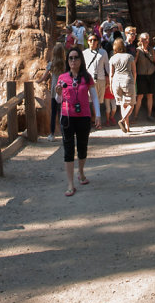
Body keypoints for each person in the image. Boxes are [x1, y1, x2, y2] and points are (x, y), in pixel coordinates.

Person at [57, 47, 101, 196]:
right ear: (67, 61)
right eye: (70, 58)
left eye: (76, 57)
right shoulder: (62, 78)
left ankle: (81, 172)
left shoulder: (86, 77)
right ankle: (70, 184)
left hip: (83, 117)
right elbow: (58, 100)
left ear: (81, 60)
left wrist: (98, 115)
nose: (73, 60)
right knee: (68, 150)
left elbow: (94, 97)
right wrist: (57, 94)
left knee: (82, 147)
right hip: (67, 118)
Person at [108, 38, 137, 133]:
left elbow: (111, 74)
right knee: (131, 104)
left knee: (122, 104)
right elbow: (134, 72)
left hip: (116, 81)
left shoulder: (112, 58)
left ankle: (127, 127)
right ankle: (123, 120)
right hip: (127, 80)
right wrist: (134, 82)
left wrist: (111, 85)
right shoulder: (129, 57)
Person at [83, 33, 113, 125]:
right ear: (87, 42)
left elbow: (107, 66)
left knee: (99, 101)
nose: (92, 42)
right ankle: (92, 119)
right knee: (89, 100)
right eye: (90, 40)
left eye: (94, 40)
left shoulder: (103, 52)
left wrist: (110, 78)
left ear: (97, 42)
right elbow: (82, 67)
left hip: (101, 78)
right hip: (89, 79)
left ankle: (96, 120)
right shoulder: (84, 53)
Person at [40, 42, 66, 141]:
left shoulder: (51, 64)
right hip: (64, 89)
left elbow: (44, 76)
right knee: (62, 112)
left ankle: (52, 134)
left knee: (53, 113)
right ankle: (64, 133)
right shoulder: (65, 64)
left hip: (54, 90)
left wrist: (38, 81)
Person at [133, 31, 155, 121]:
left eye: (147, 38)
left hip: (151, 75)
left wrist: (148, 53)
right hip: (141, 75)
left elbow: (154, 60)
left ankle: (149, 115)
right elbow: (134, 62)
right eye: (144, 39)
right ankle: (135, 116)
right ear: (140, 39)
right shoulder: (137, 50)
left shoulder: (152, 49)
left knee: (150, 95)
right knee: (140, 96)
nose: (146, 40)